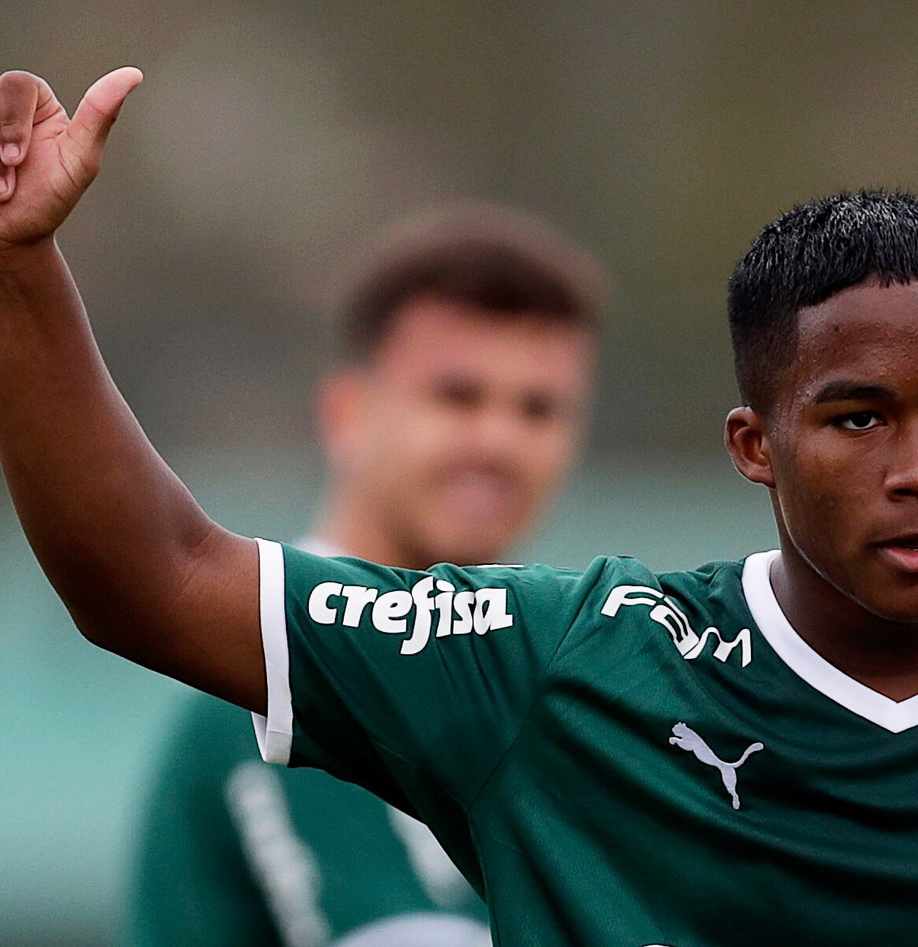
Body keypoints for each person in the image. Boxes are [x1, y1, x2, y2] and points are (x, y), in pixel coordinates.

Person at [0, 67, 918, 946]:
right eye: (859, 417)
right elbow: (149, 574)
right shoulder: (568, 668)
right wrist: (11, 268)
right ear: (754, 445)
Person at [123, 204, 603, 947]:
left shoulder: (534, 678)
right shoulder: (265, 680)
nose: (499, 440)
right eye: (457, 396)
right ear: (347, 414)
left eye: (539, 409)